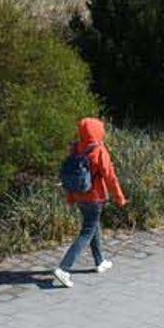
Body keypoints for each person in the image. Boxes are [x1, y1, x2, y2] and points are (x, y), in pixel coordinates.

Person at [52, 117, 126, 288]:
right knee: (87, 231)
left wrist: (71, 197)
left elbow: (69, 174)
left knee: (93, 225)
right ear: (98, 131)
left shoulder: (76, 148)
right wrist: (119, 197)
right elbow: (110, 177)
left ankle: (100, 261)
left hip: (79, 196)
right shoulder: (99, 150)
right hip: (95, 198)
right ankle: (63, 269)